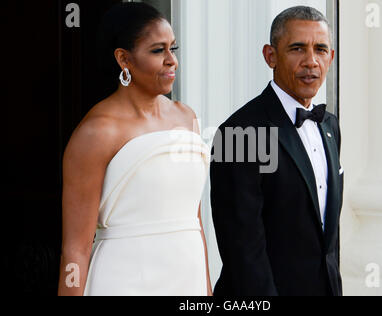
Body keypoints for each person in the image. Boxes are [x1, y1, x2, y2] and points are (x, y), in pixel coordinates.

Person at [58, 2, 212, 296]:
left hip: (186, 279)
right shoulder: (97, 132)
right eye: (158, 50)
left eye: (173, 49)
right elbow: (75, 250)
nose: (172, 61)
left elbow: (195, 223)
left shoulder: (187, 117)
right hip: (124, 281)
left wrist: (205, 291)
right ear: (124, 59)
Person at [210, 6, 343, 296]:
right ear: (271, 56)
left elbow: (326, 240)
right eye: (297, 48)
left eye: (321, 49)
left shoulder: (330, 126)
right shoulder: (240, 132)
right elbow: (242, 248)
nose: (311, 61)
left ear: (331, 58)